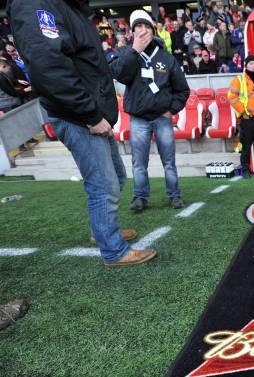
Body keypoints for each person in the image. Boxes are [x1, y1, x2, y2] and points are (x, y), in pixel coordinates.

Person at [8, 0, 155, 266]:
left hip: (89, 113)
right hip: (78, 116)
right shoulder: (34, 4)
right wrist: (89, 114)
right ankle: (113, 250)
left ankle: (103, 232)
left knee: (116, 178)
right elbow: (49, 67)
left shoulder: (64, 7)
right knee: (104, 184)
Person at [110, 10, 190, 212]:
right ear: (132, 31)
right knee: (139, 163)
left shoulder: (166, 57)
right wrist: (134, 51)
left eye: (146, 26)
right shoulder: (126, 52)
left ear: (153, 30)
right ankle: (140, 197)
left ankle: (174, 195)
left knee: (169, 161)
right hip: (138, 118)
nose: (143, 31)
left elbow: (182, 90)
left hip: (161, 117)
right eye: (138, 27)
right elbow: (119, 74)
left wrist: (171, 110)